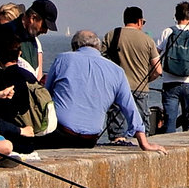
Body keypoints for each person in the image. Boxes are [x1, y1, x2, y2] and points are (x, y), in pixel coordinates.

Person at [33, 31, 163, 151]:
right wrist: (144, 143)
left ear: (74, 47)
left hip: (61, 133)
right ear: (98, 48)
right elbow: (130, 108)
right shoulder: (117, 71)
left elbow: (46, 95)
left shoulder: (63, 59)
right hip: (89, 139)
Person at [100, 7, 162, 141]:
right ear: (139, 21)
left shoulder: (111, 35)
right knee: (141, 130)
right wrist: (146, 80)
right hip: (140, 89)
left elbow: (101, 61)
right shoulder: (148, 40)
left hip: (117, 89)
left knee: (117, 131)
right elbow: (158, 70)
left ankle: (118, 142)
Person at [156, 2, 189, 132]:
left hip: (169, 82)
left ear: (175, 16)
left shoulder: (167, 32)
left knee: (170, 120)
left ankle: (168, 148)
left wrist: (159, 73)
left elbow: (155, 55)